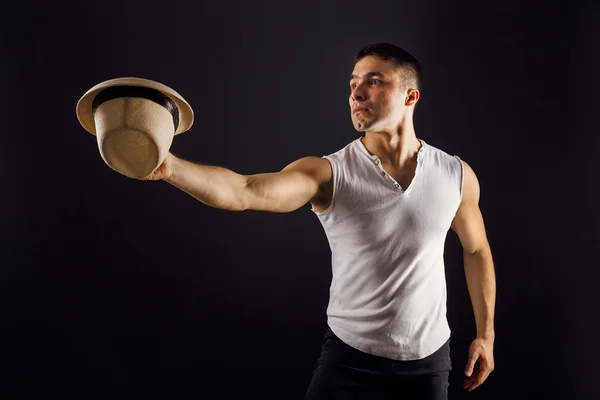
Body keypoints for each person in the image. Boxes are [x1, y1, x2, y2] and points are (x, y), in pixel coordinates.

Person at [142, 43, 496, 399]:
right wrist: (171, 168)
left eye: (374, 81)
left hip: (428, 364)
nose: (356, 92)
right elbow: (244, 190)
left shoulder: (455, 175)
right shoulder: (330, 173)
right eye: (353, 83)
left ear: (410, 96)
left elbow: (477, 249)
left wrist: (485, 334)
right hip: (350, 361)